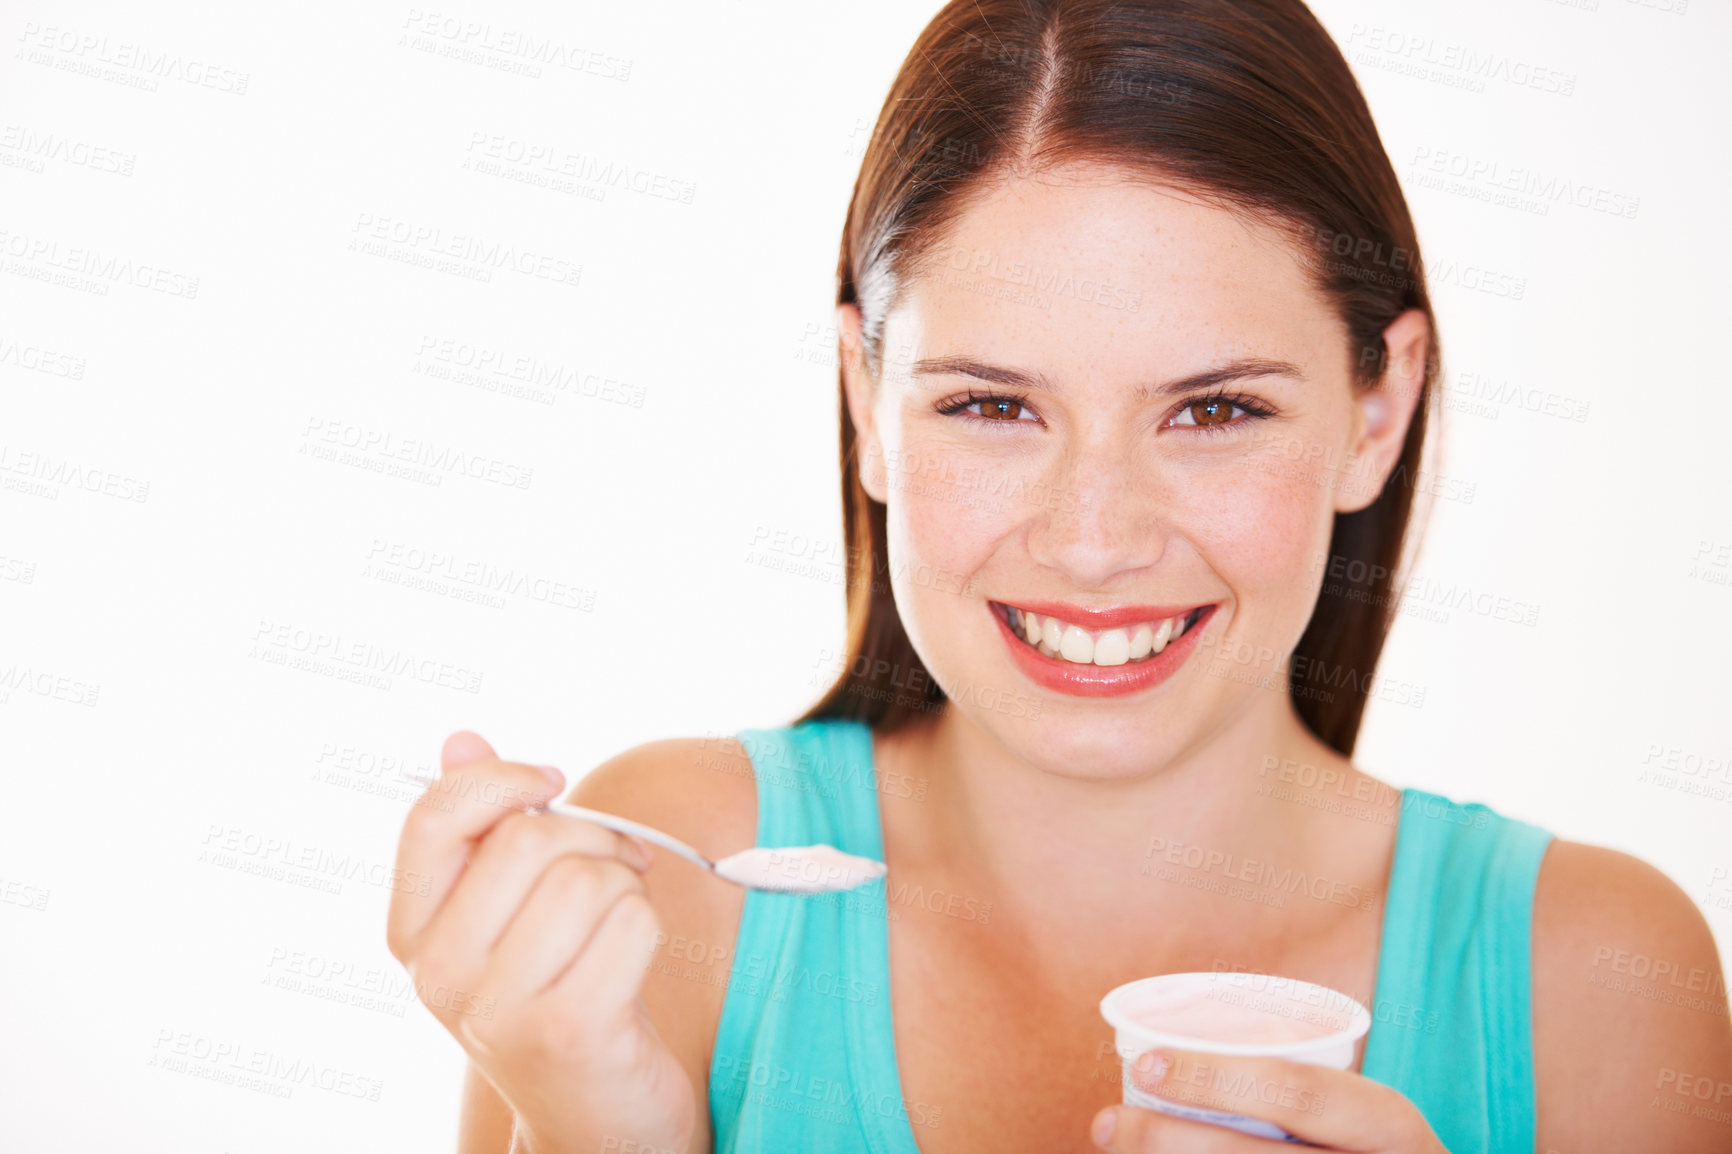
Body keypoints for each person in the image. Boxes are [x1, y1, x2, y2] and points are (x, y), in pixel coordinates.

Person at [385, 1, 1732, 1151]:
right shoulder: (662, 901)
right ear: (867, 402)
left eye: (1213, 411)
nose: (1094, 541)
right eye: (991, 406)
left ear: (1375, 416)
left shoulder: (1596, 982)